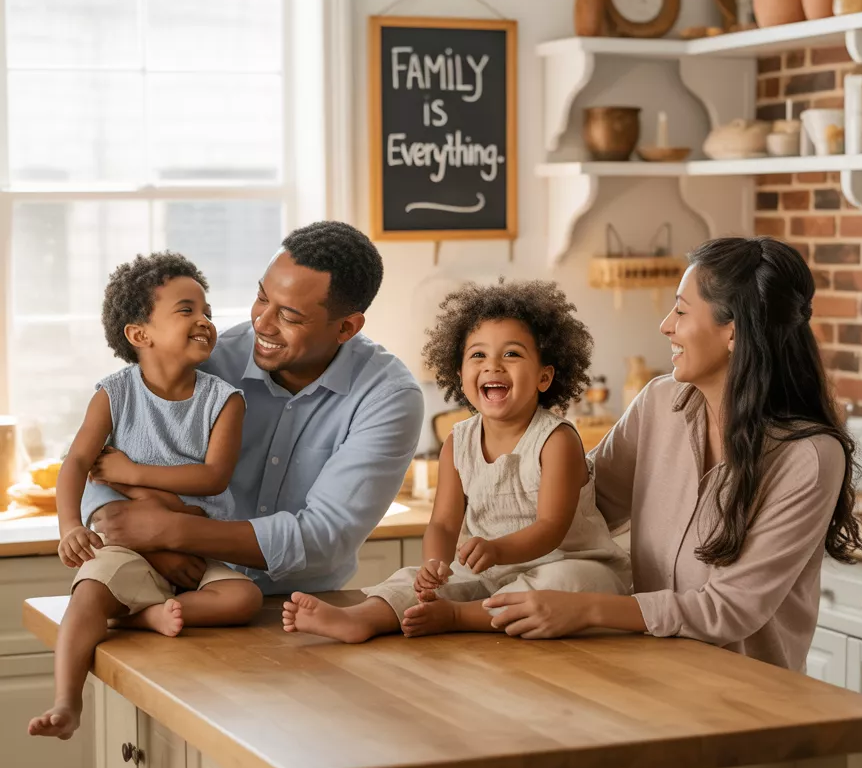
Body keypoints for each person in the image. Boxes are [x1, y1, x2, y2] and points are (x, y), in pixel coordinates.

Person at [482, 237, 862, 671]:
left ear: (733, 330)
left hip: (749, 702)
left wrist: (585, 609)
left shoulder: (808, 457)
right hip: (652, 677)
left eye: (681, 311)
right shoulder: (659, 403)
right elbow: (580, 507)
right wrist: (502, 452)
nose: (666, 325)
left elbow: (729, 609)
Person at [282, 280, 631, 642]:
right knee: (413, 579)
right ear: (459, 374)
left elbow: (551, 527)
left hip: (566, 563)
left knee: (562, 584)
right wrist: (436, 564)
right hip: (488, 569)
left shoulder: (556, 440)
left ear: (544, 376)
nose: (493, 365)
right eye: (478, 355)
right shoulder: (458, 441)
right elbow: (444, 525)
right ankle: (361, 618)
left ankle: (459, 616)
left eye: (511, 354)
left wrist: (497, 549)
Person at [90, 222, 424, 596]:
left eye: (290, 317)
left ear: (346, 327)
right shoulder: (207, 358)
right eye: (263, 298)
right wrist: (152, 550)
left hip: (306, 606)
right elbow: (95, 456)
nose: (261, 324)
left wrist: (170, 531)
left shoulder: (387, 397)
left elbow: (325, 538)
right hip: (180, 591)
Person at [28, 253, 263, 739]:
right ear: (140, 335)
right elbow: (75, 464)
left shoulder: (225, 400)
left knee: (243, 598)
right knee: (87, 594)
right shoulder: (113, 395)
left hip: (197, 547)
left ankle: (143, 617)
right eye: (186, 310)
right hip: (129, 547)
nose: (204, 320)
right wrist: (69, 526)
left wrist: (131, 472)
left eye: (208, 311)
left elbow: (214, 477)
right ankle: (67, 703)